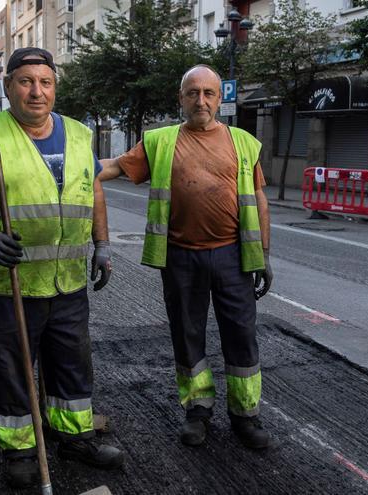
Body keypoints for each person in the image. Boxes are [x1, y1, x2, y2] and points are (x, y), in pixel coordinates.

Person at [0, 47, 124, 488]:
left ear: (54, 87)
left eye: (45, 82)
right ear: (9, 88)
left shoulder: (80, 134)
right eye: (25, 82)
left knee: (72, 365)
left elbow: (93, 191)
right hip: (7, 283)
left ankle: (74, 436)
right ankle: (21, 448)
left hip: (67, 282)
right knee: (11, 368)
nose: (36, 91)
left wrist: (101, 243)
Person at [99, 64, 274, 450]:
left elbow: (259, 197)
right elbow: (114, 167)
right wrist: (69, 169)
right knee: (187, 334)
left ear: (220, 97)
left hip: (233, 257)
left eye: (209, 93)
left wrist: (264, 252)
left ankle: (246, 416)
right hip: (181, 257)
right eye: (192, 93)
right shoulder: (160, 141)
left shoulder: (243, 142)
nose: (201, 100)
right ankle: (198, 412)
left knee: (241, 335)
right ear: (181, 99)